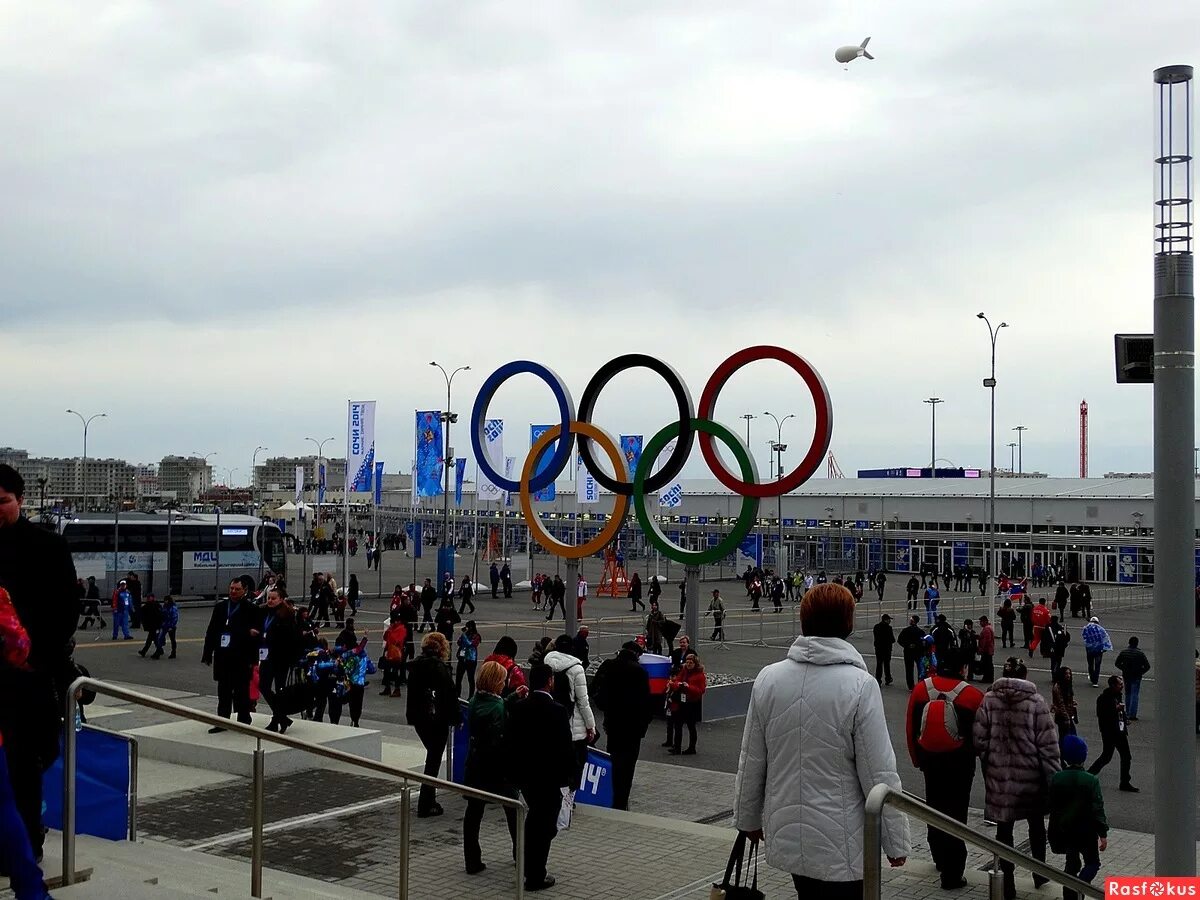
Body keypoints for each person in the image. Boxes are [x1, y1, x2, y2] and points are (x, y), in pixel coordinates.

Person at [734, 584, 910, 898]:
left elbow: (752, 760)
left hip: (788, 831)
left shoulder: (768, 678)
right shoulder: (859, 686)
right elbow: (879, 774)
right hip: (843, 839)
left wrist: (747, 818)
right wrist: (895, 841)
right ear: (848, 623)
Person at [973, 657, 1060, 900]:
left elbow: (979, 740)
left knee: (1004, 832)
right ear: (1026, 675)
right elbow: (1048, 747)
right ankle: (1039, 872)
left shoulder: (989, 700)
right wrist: (1054, 781)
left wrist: (992, 759)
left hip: (1000, 780)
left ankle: (1007, 883)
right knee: (1036, 827)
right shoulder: (1036, 702)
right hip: (1031, 780)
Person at [905, 649, 984, 890]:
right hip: (960, 764)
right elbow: (980, 737)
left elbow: (911, 727)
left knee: (934, 806)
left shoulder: (921, 689)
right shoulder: (972, 696)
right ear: (963, 668)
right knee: (956, 813)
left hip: (930, 759)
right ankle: (952, 873)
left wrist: (917, 758)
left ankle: (939, 857)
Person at [506, 663, 574, 892]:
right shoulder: (558, 710)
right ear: (549, 681)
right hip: (550, 777)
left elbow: (512, 742)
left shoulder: (519, 707)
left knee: (535, 818)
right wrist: (571, 778)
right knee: (544, 825)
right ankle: (535, 874)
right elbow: (566, 748)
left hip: (526, 775)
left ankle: (527, 863)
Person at [462, 660, 524, 875]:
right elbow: (500, 733)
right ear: (498, 681)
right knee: (513, 809)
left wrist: (513, 697)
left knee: (474, 812)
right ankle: (520, 854)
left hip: (476, 763)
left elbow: (493, 706)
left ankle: (472, 859)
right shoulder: (497, 707)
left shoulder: (474, 701)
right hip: (498, 766)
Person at [592, 641, 651, 811]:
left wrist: (607, 710)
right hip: (633, 728)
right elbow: (646, 703)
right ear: (636, 654)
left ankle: (612, 796)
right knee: (628, 765)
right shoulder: (640, 672)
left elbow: (595, 690)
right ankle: (621, 801)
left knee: (614, 760)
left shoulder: (609, 666)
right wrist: (643, 726)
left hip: (613, 723)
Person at [406, 632, 459, 817]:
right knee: (434, 760)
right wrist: (456, 718)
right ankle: (425, 802)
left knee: (432, 757)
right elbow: (450, 696)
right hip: (437, 718)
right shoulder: (441, 668)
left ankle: (429, 799)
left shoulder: (415, 667)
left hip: (419, 717)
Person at [1049, 735, 1108, 900]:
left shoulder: (1057, 778)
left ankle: (1069, 894)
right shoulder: (1090, 780)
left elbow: (1052, 804)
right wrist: (1102, 833)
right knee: (1093, 863)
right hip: (1086, 831)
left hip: (1065, 829)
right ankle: (1079, 885)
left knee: (1072, 863)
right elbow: (1098, 808)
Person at [201, 578, 262, 732]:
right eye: (232, 588)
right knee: (224, 692)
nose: (233, 591)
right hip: (223, 656)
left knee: (242, 692)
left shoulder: (251, 609)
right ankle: (222, 721)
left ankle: (243, 721)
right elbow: (212, 630)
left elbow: (256, 635)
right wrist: (207, 652)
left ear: (244, 590)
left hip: (242, 657)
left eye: (237, 589)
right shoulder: (221, 607)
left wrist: (254, 659)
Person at [543, 634, 596, 785]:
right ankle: (568, 802)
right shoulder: (576, 668)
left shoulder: (547, 662)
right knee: (574, 770)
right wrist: (591, 726)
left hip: (551, 723)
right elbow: (583, 701)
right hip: (574, 727)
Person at [259, 587, 301, 733]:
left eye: (273, 598)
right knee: (263, 686)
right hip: (266, 656)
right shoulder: (264, 612)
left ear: (281, 599)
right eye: (269, 598)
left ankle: (276, 719)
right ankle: (281, 717)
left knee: (280, 689)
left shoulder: (287, 616)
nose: (270, 601)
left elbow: (293, 639)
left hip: (281, 659)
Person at [1087, 675, 1138, 792]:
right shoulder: (1104, 699)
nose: (1122, 686)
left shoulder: (1117, 696)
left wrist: (1124, 719)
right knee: (1107, 756)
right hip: (1110, 732)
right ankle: (1089, 775)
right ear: (1113, 685)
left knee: (1123, 756)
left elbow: (1120, 713)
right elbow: (1103, 715)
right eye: (1120, 684)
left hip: (1119, 731)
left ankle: (1124, 781)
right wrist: (1116, 709)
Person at [665, 652, 706, 755]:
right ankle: (677, 747)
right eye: (687, 662)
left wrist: (688, 687)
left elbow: (701, 690)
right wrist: (675, 684)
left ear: (695, 663)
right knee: (678, 724)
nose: (688, 664)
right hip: (681, 702)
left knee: (691, 726)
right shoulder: (684, 671)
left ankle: (692, 748)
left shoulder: (700, 675)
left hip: (692, 703)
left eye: (690, 662)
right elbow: (677, 681)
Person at [1113, 637, 1150, 720]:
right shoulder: (1140, 654)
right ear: (1137, 643)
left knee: (1128, 694)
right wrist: (1141, 672)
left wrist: (1123, 668)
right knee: (1135, 694)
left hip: (1126, 675)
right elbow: (1147, 666)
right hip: (1136, 676)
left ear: (1129, 643)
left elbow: (1117, 663)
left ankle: (1127, 711)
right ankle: (1133, 714)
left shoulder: (1124, 652)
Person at [380, 612, 408, 698]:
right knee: (387, 670)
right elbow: (385, 637)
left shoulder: (401, 629)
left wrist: (390, 632)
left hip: (396, 652)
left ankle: (397, 689)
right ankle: (388, 688)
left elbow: (397, 640)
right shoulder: (393, 628)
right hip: (390, 651)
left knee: (395, 671)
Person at [1081, 617, 1113, 688]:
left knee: (1090, 664)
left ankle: (1092, 677)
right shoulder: (1101, 629)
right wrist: (1105, 648)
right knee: (1097, 665)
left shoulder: (1086, 628)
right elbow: (1106, 639)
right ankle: (1095, 681)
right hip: (1098, 650)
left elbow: (1084, 637)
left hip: (1089, 649)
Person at [1051, 667, 1079, 746]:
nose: (1068, 675)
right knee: (1065, 737)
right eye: (1066, 673)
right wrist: (1067, 718)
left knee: (1067, 737)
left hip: (1068, 714)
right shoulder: (1058, 687)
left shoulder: (1066, 685)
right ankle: (1061, 755)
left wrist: (1071, 702)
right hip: (1063, 717)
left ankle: (1062, 755)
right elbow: (1061, 704)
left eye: (1069, 673)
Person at [456, 620, 481, 698]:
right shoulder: (465, 635)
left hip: (471, 659)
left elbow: (470, 644)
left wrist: (464, 636)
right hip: (462, 657)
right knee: (458, 678)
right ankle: (457, 694)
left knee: (470, 678)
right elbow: (459, 642)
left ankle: (470, 696)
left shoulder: (476, 636)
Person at [137, 593, 164, 658]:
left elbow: (159, 616)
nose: (148, 599)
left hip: (154, 625)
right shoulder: (155, 605)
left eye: (149, 597)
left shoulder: (153, 605)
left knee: (153, 639)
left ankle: (158, 650)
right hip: (154, 625)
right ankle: (145, 651)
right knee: (151, 639)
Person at [872, 613, 895, 685]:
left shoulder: (876, 627)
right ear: (886, 620)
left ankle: (878, 679)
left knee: (879, 664)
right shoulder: (889, 628)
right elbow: (892, 639)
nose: (890, 621)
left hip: (878, 648)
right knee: (887, 664)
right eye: (889, 620)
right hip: (887, 649)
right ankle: (888, 678)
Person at [154, 595, 179, 659]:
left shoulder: (173, 608)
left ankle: (173, 652)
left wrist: (172, 626)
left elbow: (174, 618)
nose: (165, 601)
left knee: (172, 639)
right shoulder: (165, 607)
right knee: (160, 638)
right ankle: (158, 652)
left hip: (170, 625)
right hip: (165, 625)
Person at [1047, 616, 1070, 680]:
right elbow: (1067, 637)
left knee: (1053, 661)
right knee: (1058, 661)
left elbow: (1045, 638)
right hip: (1060, 648)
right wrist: (1065, 644)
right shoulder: (1061, 628)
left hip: (1053, 647)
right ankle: (1056, 672)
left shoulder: (1049, 627)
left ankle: (1053, 675)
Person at [977, 615, 996, 683]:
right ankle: (989, 678)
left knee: (986, 665)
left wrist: (981, 649)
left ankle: (986, 678)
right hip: (989, 650)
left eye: (981, 622)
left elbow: (986, 640)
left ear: (984, 621)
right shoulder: (989, 628)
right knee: (989, 665)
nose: (980, 623)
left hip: (986, 650)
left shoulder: (986, 629)